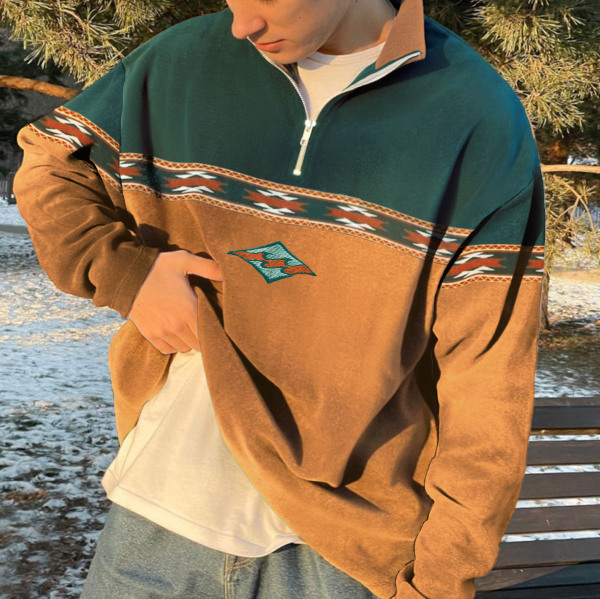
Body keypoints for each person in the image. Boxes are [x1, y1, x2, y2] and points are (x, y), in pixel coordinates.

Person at [13, 0, 545, 597]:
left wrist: (442, 578)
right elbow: (50, 160)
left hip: (347, 552)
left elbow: (489, 374)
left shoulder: (474, 114)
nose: (243, 24)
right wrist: (125, 273)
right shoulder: (183, 59)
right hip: (158, 515)